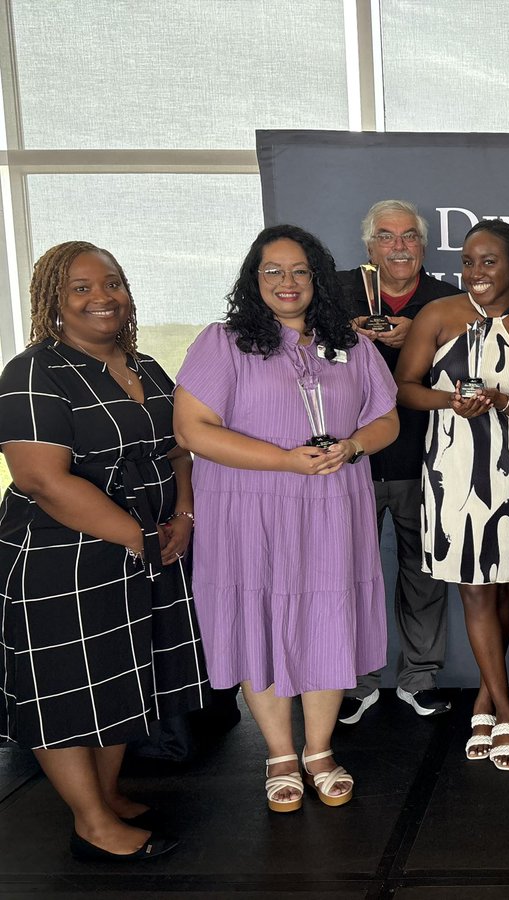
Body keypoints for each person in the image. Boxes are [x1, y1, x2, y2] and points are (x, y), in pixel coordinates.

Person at [174, 224, 399, 813]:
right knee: (261, 615)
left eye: (300, 270)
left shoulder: (352, 344)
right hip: (249, 508)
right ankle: (278, 752)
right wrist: (283, 461)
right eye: (272, 271)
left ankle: (320, 749)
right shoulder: (222, 344)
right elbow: (192, 430)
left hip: (330, 504)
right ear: (253, 280)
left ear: (319, 279)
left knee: (328, 615)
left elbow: (387, 420)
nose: (287, 282)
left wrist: (350, 446)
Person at [0, 242, 208, 860]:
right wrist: (138, 534)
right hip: (61, 556)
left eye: (112, 283)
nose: (102, 298)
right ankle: (92, 823)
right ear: (53, 302)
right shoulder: (34, 372)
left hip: (144, 545)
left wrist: (183, 515)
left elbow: (178, 450)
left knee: (121, 676)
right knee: (64, 687)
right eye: (82, 288)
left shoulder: (144, 366)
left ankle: (108, 793)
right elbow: (42, 478)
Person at [395, 219, 509, 771]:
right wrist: (448, 402)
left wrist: (505, 400)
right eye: (467, 262)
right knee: (476, 592)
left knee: (500, 588)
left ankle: (484, 697)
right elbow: (405, 390)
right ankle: (506, 710)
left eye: (488, 261)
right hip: (453, 471)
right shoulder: (438, 316)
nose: (475, 272)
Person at [336, 200, 459, 726]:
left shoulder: (445, 301)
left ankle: (419, 678)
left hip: (425, 458)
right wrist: (346, 334)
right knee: (349, 575)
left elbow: (469, 373)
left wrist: (421, 339)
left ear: (423, 246)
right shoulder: (337, 295)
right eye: (387, 237)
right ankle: (355, 681)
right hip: (350, 461)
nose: (400, 246)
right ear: (370, 248)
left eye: (409, 236)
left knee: (423, 574)